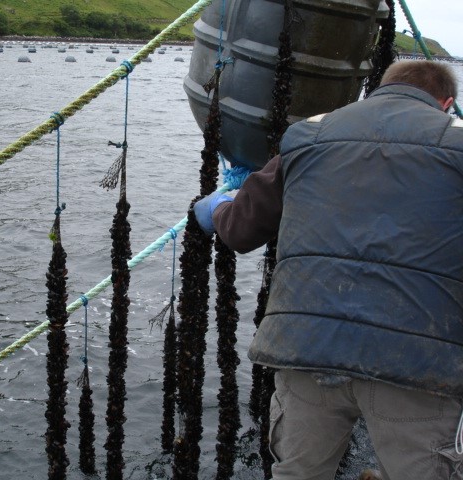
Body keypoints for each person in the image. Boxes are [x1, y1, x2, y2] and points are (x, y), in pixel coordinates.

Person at [194, 60, 463, 479]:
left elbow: (242, 232)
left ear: (376, 91)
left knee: (298, 473)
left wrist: (217, 209)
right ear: (446, 105)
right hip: (418, 364)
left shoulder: (308, 135)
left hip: (307, 350)